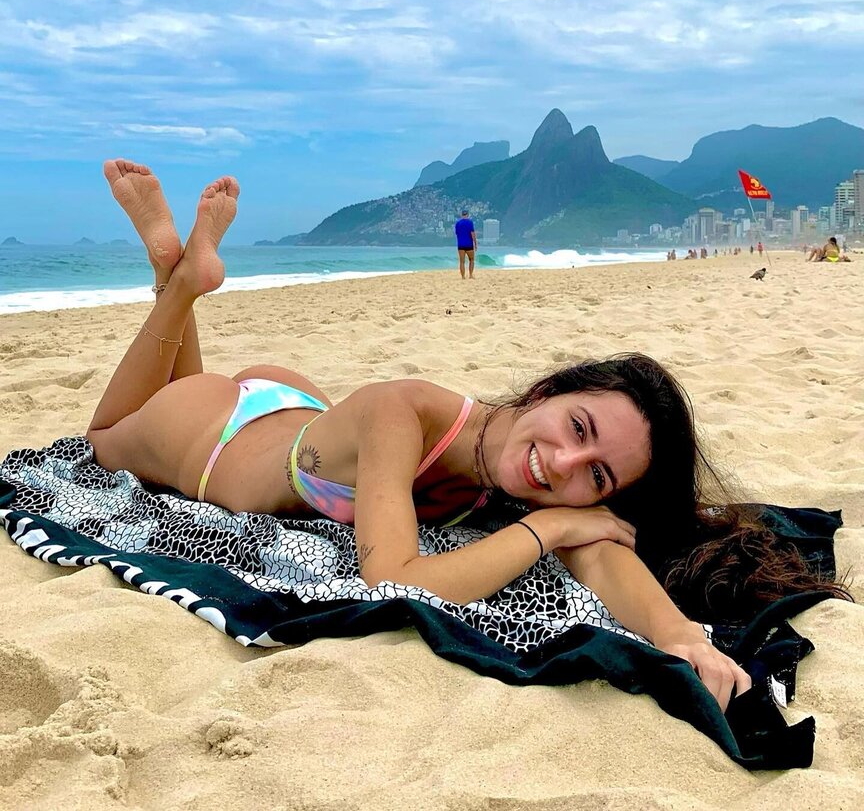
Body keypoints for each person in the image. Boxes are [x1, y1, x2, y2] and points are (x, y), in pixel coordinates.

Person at [89, 160, 851, 712]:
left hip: (295, 409)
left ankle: (177, 270)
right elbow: (392, 578)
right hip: (221, 441)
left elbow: (600, 550)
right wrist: (549, 529)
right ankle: (178, 279)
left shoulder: (513, 459)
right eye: (577, 427)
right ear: (547, 390)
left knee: (171, 389)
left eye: (597, 476)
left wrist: (681, 636)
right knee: (103, 438)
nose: (564, 464)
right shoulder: (405, 412)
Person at [454, 210, 477, 279]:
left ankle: (463, 276)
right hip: (469, 244)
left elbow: (457, 233)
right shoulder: (470, 222)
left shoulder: (458, 223)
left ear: (462, 215)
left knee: (462, 262)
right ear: (467, 215)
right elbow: (472, 234)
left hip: (460, 244)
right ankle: (470, 275)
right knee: (471, 260)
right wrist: (475, 243)